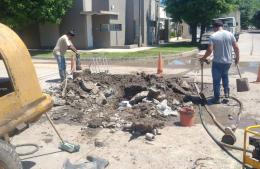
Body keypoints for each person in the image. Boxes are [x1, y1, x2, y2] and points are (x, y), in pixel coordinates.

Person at [200, 20, 240, 104]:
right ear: (222, 26)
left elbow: (209, 50)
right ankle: (226, 96)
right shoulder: (230, 34)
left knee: (216, 81)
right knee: (225, 78)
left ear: (215, 27)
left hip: (218, 62)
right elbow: (236, 48)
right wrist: (237, 58)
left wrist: (203, 58)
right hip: (228, 62)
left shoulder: (213, 36)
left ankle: (216, 99)